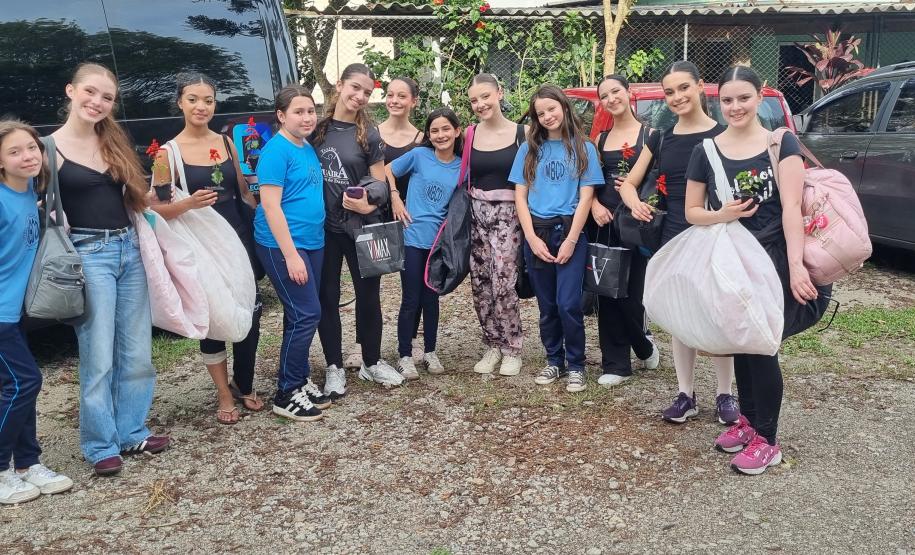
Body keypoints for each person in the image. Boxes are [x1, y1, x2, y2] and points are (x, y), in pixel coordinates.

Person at [684, 65, 821, 475]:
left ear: (760, 98)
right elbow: (692, 212)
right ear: (718, 102)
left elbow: (793, 211)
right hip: (731, 263)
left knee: (762, 347)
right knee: (739, 343)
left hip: (774, 260)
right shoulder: (705, 151)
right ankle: (747, 421)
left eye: (743, 97)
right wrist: (721, 213)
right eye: (727, 100)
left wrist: (797, 267)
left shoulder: (782, 144)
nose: (735, 106)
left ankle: (768, 439)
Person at [50, 63, 167, 477]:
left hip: (128, 250)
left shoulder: (113, 140)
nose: (97, 102)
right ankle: (100, 444)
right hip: (87, 254)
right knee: (98, 357)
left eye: (106, 97)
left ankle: (132, 429)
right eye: (90, 92)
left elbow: (135, 200)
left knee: (137, 352)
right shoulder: (48, 149)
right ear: (70, 90)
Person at [618, 61, 738, 425]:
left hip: (717, 231)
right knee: (679, 313)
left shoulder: (723, 133)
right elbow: (628, 183)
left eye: (684, 88)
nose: (677, 97)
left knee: (718, 314)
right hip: (673, 234)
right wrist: (635, 202)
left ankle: (725, 395)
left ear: (701, 86)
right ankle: (685, 393)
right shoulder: (659, 137)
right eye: (669, 92)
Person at [149, 73, 264, 425]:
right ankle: (224, 394)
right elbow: (156, 209)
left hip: (239, 238)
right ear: (180, 103)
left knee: (250, 310)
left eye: (208, 100)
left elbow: (243, 192)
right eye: (193, 99)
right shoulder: (166, 154)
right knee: (212, 316)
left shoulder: (227, 142)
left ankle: (243, 382)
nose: (202, 106)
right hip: (199, 245)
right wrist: (189, 205)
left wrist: (268, 218)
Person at [310, 63, 403, 395]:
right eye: (356, 88)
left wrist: (368, 203)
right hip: (323, 230)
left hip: (362, 227)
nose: (360, 96)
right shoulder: (316, 129)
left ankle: (372, 362)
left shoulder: (369, 134)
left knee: (368, 298)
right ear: (340, 85)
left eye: (367, 92)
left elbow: (380, 181)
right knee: (327, 297)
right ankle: (334, 367)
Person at [509, 84, 603, 393]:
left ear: (563, 107)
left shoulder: (583, 147)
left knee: (568, 303)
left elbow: (586, 197)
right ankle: (554, 359)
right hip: (537, 232)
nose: (547, 116)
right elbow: (519, 197)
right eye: (540, 113)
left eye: (552, 109)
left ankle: (576, 364)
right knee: (547, 306)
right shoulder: (529, 149)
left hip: (569, 232)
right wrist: (532, 239)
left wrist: (572, 240)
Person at [0, 121, 74, 504]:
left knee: (20, 387)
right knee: (24, 383)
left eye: (31, 148)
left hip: (16, 309)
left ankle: (27, 464)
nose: (27, 156)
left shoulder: (28, 188)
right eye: (14, 152)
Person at [253, 85, 330, 422]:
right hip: (283, 244)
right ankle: (286, 392)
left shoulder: (305, 146)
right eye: (298, 112)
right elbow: (270, 206)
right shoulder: (276, 151)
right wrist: (291, 255)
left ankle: (298, 379)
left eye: (310, 111)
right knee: (307, 313)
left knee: (299, 314)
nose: (307, 117)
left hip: (312, 241)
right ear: (281, 116)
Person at [589, 74, 660, 387]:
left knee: (632, 296)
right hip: (604, 223)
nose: (611, 98)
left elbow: (658, 182)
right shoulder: (600, 140)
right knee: (607, 292)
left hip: (636, 225)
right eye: (604, 95)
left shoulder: (651, 135)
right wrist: (593, 206)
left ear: (629, 93)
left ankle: (643, 345)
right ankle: (615, 363)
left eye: (615, 91)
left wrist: (645, 206)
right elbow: (588, 182)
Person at [386, 108, 463, 379]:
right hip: (412, 239)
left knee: (431, 299)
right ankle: (405, 355)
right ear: (428, 135)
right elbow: (388, 170)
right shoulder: (419, 156)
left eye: (445, 129)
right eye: (434, 130)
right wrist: (395, 196)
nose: (440, 135)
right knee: (410, 299)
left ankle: (430, 351)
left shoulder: (462, 166)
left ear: (457, 131)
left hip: (437, 246)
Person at [466, 73, 527, 377]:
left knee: (503, 280)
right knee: (480, 282)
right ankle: (492, 343)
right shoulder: (469, 135)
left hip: (510, 215)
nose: (480, 104)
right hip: (477, 214)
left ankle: (513, 347)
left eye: (485, 96)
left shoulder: (523, 133)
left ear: (500, 93)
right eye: (474, 100)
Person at [379, 77, 424, 360]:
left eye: (402, 96)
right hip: (378, 216)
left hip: (411, 220)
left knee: (412, 285)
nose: (394, 100)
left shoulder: (422, 138)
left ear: (413, 102)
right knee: (370, 283)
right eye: (390, 95)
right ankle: (363, 343)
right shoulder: (372, 133)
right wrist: (393, 195)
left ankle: (410, 339)